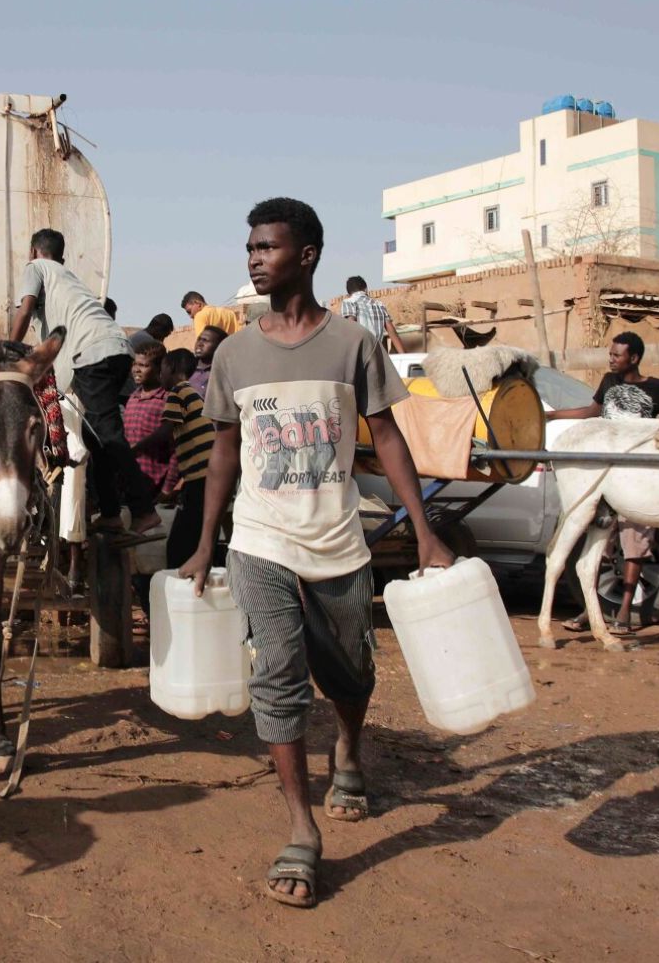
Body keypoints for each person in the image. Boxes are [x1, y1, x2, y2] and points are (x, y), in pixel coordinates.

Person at [179, 197, 454, 909]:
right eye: (249, 248)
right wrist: (208, 543)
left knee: (352, 674)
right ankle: (302, 829)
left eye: (267, 247)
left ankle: (350, 751)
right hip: (260, 540)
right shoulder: (235, 353)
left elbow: (387, 437)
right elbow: (224, 455)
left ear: (306, 256)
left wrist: (423, 530)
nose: (253, 258)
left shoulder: (352, 345)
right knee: (277, 672)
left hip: (337, 539)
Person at [9, 228, 159, 534]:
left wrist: (9, 351)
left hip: (93, 354)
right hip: (116, 349)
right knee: (96, 437)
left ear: (32, 251)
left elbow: (25, 309)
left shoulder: (35, 268)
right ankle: (111, 512)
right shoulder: (68, 278)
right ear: (62, 257)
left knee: (109, 433)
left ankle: (144, 510)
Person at [546, 331, 659, 632]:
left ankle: (624, 612)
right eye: (611, 354)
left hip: (637, 476)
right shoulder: (609, 381)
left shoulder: (657, 388)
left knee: (634, 544)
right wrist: (553, 415)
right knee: (599, 548)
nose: (611, 359)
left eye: (617, 355)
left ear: (634, 358)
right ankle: (591, 612)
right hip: (605, 477)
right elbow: (592, 412)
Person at [159, 348, 214, 568]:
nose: (160, 375)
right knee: (195, 529)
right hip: (205, 474)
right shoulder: (192, 392)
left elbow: (165, 431)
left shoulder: (177, 393)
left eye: (161, 370)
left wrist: (134, 450)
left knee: (181, 543)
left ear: (171, 370)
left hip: (200, 476)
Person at [122, 343, 173, 496]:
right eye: (135, 364)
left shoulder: (168, 400)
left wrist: (168, 488)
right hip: (129, 483)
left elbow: (176, 449)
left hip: (156, 487)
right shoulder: (133, 398)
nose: (136, 370)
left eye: (144, 365)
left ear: (159, 369)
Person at [340, 275, 404, 353]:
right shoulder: (379, 304)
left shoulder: (349, 302)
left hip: (361, 352)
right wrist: (403, 354)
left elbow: (351, 325)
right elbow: (392, 332)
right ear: (366, 289)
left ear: (349, 294)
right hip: (377, 353)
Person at [190, 325, 226, 398]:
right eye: (199, 339)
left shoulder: (224, 372)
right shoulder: (187, 368)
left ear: (219, 345)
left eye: (205, 340)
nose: (199, 344)